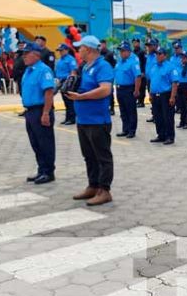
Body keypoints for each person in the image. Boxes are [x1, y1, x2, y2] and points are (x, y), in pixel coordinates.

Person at [65, 35, 115, 206]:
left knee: (102, 157)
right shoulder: (85, 67)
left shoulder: (103, 66)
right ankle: (93, 186)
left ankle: (104, 190)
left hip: (97, 120)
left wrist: (81, 97)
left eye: (81, 48)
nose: (78, 51)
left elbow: (105, 90)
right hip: (83, 119)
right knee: (89, 156)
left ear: (89, 49)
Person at [20, 43, 56, 184]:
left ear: (36, 54)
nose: (23, 57)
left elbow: (48, 92)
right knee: (35, 143)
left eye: (26, 53)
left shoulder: (43, 70)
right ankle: (41, 170)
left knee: (45, 142)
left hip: (41, 110)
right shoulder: (28, 70)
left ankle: (49, 172)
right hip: (30, 112)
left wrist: (46, 113)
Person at [148, 48, 178, 145]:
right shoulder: (154, 67)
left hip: (166, 95)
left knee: (168, 117)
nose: (157, 55)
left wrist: (172, 97)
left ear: (165, 55)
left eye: (160, 54)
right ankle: (161, 135)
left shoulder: (170, 67)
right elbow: (151, 81)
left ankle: (170, 136)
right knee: (157, 116)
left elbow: (174, 83)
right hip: (155, 95)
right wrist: (150, 93)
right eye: (156, 54)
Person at [113, 41, 141, 138]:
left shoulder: (133, 62)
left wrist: (137, 90)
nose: (121, 53)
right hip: (119, 89)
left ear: (128, 52)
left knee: (130, 110)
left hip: (129, 89)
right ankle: (125, 129)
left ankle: (132, 130)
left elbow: (138, 77)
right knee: (123, 110)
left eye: (123, 51)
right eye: (120, 51)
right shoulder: (119, 63)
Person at [55, 44, 78, 125]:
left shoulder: (70, 59)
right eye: (59, 51)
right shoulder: (60, 60)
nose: (60, 52)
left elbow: (73, 71)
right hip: (61, 81)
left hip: (67, 81)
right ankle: (67, 118)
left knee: (69, 101)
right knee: (65, 101)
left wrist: (70, 83)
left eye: (61, 50)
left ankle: (72, 118)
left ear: (66, 50)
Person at [172, 52, 187, 130]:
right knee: (181, 105)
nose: (182, 59)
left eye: (184, 58)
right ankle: (182, 122)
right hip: (179, 86)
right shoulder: (179, 66)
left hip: (186, 86)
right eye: (181, 58)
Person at [132, 38, 147, 107]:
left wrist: (143, 72)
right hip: (135, 73)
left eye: (136, 42)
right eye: (134, 42)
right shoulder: (132, 52)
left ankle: (141, 101)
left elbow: (145, 62)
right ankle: (137, 100)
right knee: (136, 86)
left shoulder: (142, 52)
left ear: (139, 43)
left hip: (141, 72)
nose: (135, 44)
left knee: (142, 87)